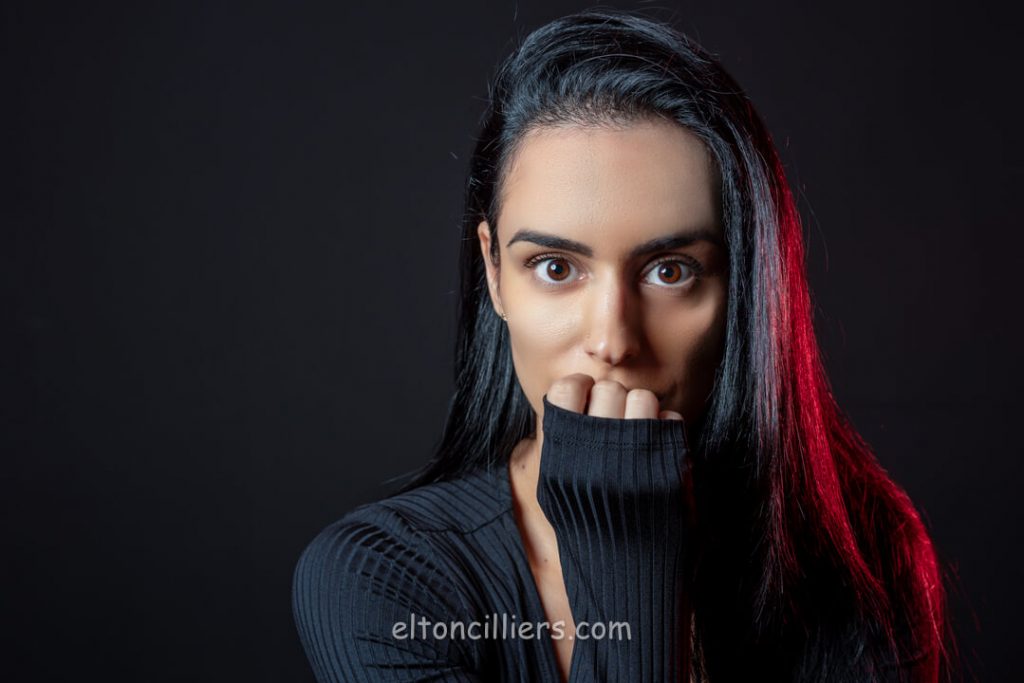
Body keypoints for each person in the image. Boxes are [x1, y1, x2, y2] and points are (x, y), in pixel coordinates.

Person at [292, 9, 956, 682]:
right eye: (556, 267)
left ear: (745, 284)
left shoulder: (863, 562)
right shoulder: (381, 579)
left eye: (670, 271)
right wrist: (629, 556)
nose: (613, 341)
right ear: (493, 272)